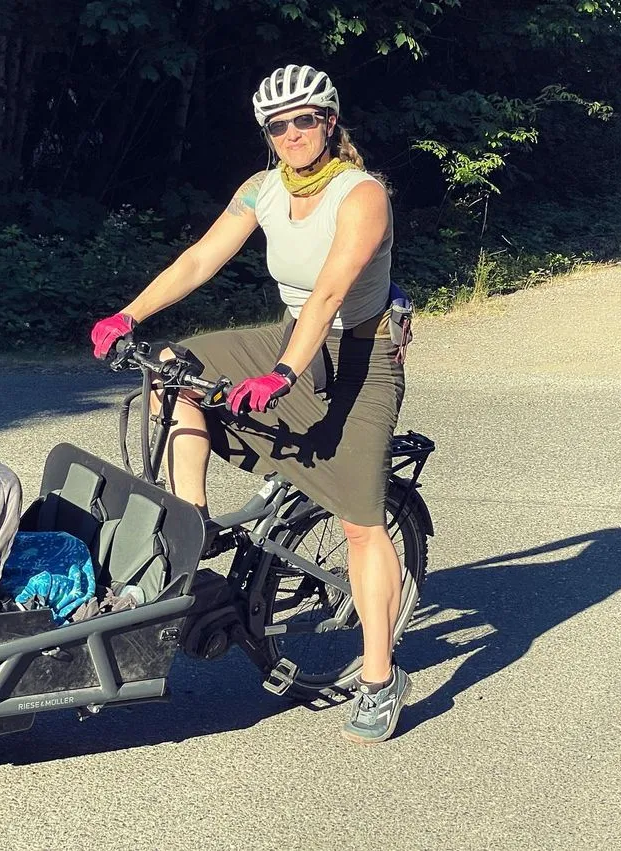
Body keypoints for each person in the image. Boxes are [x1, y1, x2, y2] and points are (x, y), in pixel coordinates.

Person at [90, 64, 412, 745]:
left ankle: (381, 677)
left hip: (359, 352)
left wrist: (284, 371)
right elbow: (199, 259)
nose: (291, 133)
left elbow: (329, 292)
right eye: (277, 124)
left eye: (304, 120)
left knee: (359, 521)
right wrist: (128, 314)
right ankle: (192, 522)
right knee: (173, 370)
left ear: (329, 121)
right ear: (266, 133)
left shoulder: (363, 196)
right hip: (296, 340)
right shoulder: (261, 190)